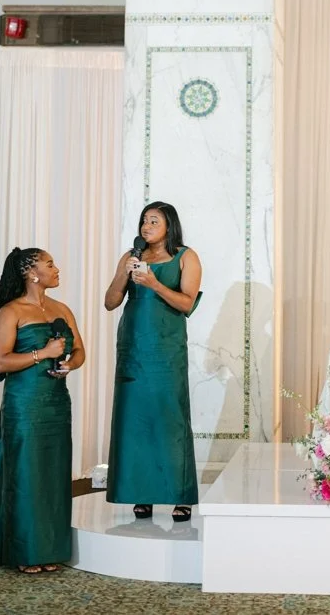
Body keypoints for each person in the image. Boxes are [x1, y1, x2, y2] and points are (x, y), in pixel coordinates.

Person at [0, 247, 84, 573]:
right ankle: (24, 549)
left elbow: (80, 350)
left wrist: (69, 363)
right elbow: (1, 361)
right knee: (25, 474)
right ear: (32, 273)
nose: (57, 268)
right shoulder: (11, 312)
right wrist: (43, 353)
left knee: (52, 474)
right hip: (23, 405)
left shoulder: (62, 309)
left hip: (55, 403)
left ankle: (49, 547)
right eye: (50, 263)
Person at [105, 201, 202, 522]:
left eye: (154, 221)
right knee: (135, 419)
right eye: (144, 221)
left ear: (169, 226)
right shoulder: (131, 257)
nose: (146, 227)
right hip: (133, 347)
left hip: (167, 347)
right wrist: (125, 271)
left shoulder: (186, 257)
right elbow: (110, 302)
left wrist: (155, 284)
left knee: (170, 416)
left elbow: (186, 303)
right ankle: (140, 492)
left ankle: (180, 495)